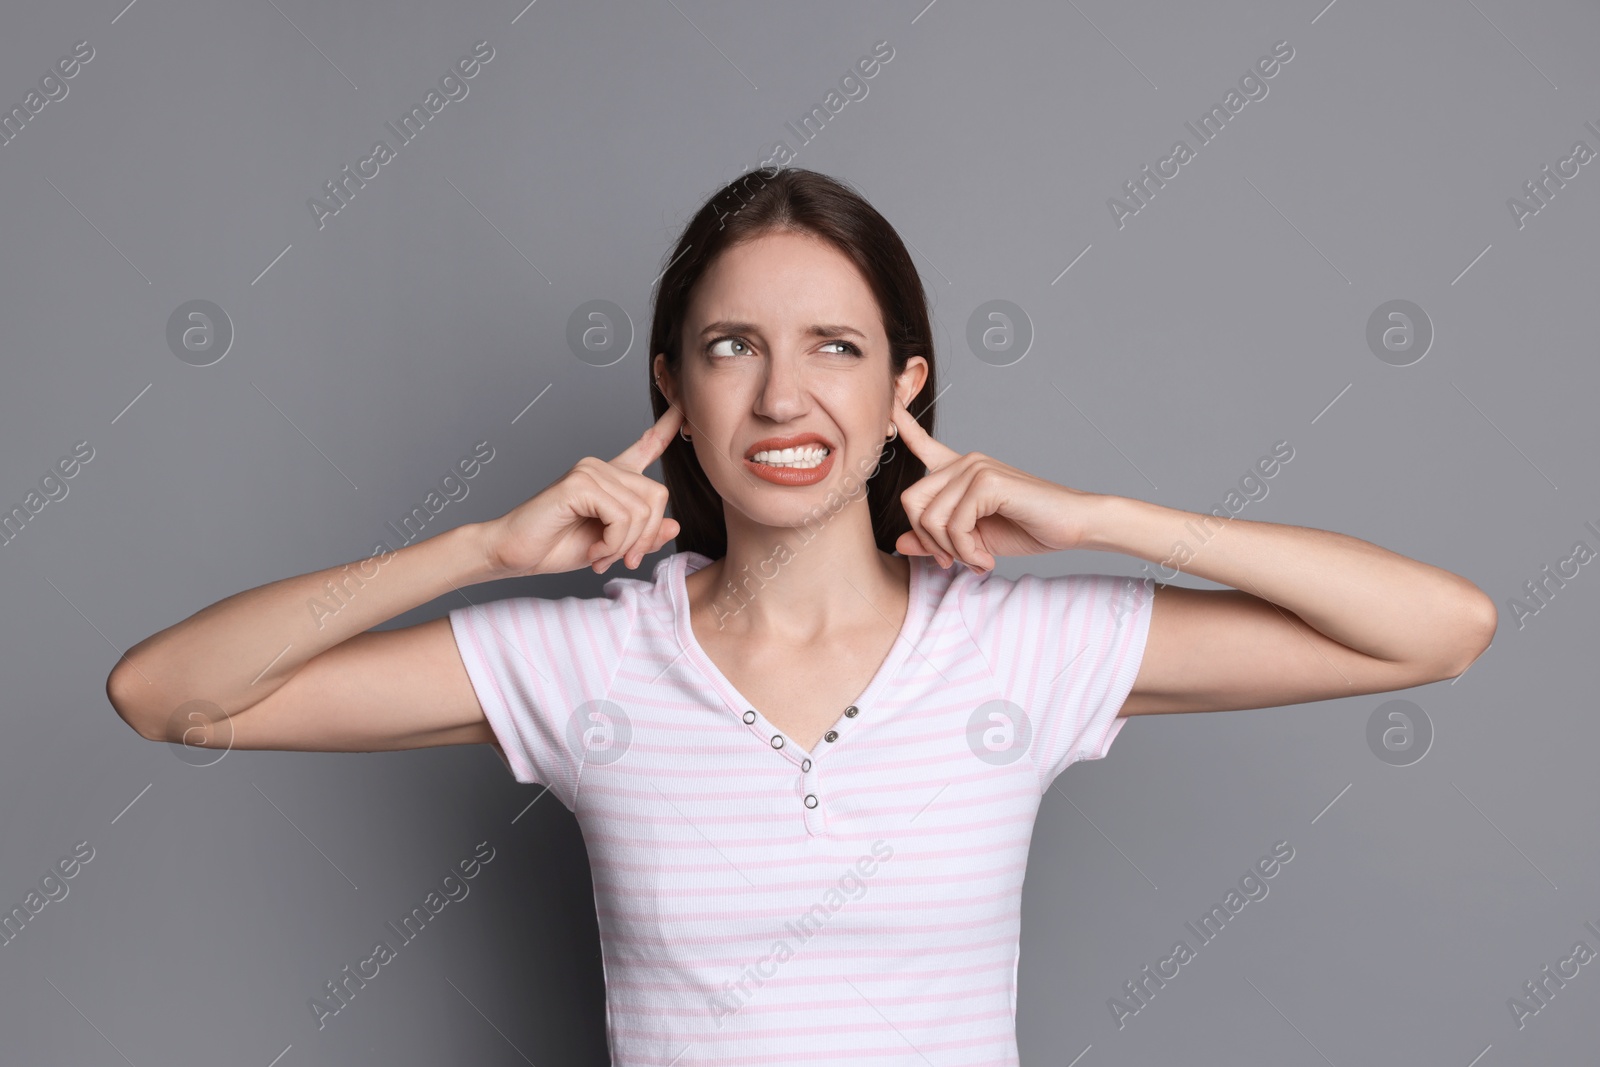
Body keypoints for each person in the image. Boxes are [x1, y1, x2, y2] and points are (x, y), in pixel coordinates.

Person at [105, 167, 1496, 1065]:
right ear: (674, 391)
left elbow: (1438, 628)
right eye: (732, 349)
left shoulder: (1022, 644)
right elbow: (168, 695)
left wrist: (1104, 521)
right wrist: (478, 548)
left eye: (835, 347)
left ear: (903, 388)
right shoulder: (579, 658)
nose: (783, 399)